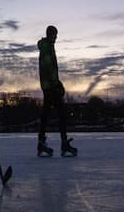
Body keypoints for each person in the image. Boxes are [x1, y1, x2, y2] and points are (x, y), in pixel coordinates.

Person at [37, 25, 77, 157]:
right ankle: (63, 143)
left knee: (47, 114)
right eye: (55, 35)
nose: (56, 37)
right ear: (50, 35)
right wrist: (57, 84)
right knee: (61, 114)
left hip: (47, 86)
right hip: (51, 87)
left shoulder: (46, 47)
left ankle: (42, 142)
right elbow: (50, 68)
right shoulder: (47, 47)